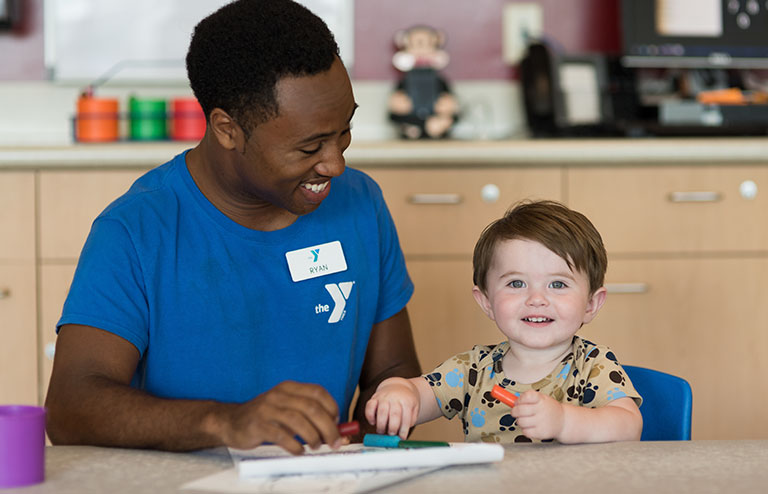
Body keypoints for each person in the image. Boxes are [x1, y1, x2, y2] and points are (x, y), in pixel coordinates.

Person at [45, 0, 420, 455]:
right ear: (227, 129)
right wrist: (226, 422)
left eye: (343, 131)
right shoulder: (136, 229)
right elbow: (71, 406)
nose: (336, 164)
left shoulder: (361, 204)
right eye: (308, 148)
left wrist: (364, 450)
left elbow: (393, 371)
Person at [365, 200, 642, 444]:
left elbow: (629, 424)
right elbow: (422, 393)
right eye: (516, 283)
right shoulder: (472, 369)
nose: (536, 298)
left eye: (557, 284)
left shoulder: (593, 365)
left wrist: (564, 421)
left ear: (591, 304)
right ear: (486, 301)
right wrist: (400, 390)